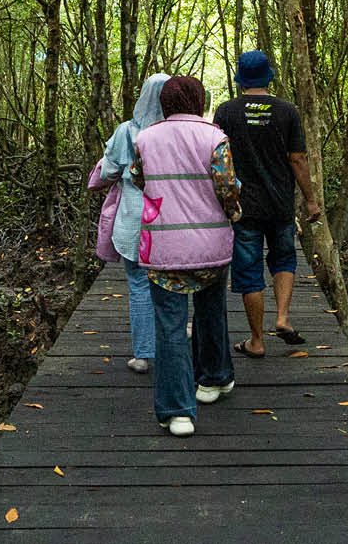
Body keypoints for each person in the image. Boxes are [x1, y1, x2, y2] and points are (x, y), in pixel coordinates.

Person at [134, 75, 238, 437]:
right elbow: (227, 187)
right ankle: (217, 375)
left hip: (164, 248)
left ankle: (178, 412)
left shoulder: (144, 138)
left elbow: (138, 178)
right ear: (199, 99)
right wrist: (234, 210)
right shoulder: (215, 137)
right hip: (211, 246)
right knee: (212, 312)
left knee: (170, 328)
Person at [212, 50, 321, 359]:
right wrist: (311, 200)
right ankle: (283, 318)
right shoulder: (287, 111)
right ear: (268, 76)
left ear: (240, 79)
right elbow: (297, 159)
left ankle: (256, 341)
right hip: (281, 204)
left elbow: (219, 159)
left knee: (248, 273)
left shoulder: (226, 112)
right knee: (284, 259)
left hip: (243, 207)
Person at [90, 72, 170, 374]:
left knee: (138, 284)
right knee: (170, 281)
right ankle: (171, 338)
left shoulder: (126, 131)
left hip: (132, 217)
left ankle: (143, 353)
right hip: (168, 215)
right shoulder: (175, 132)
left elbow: (109, 171)